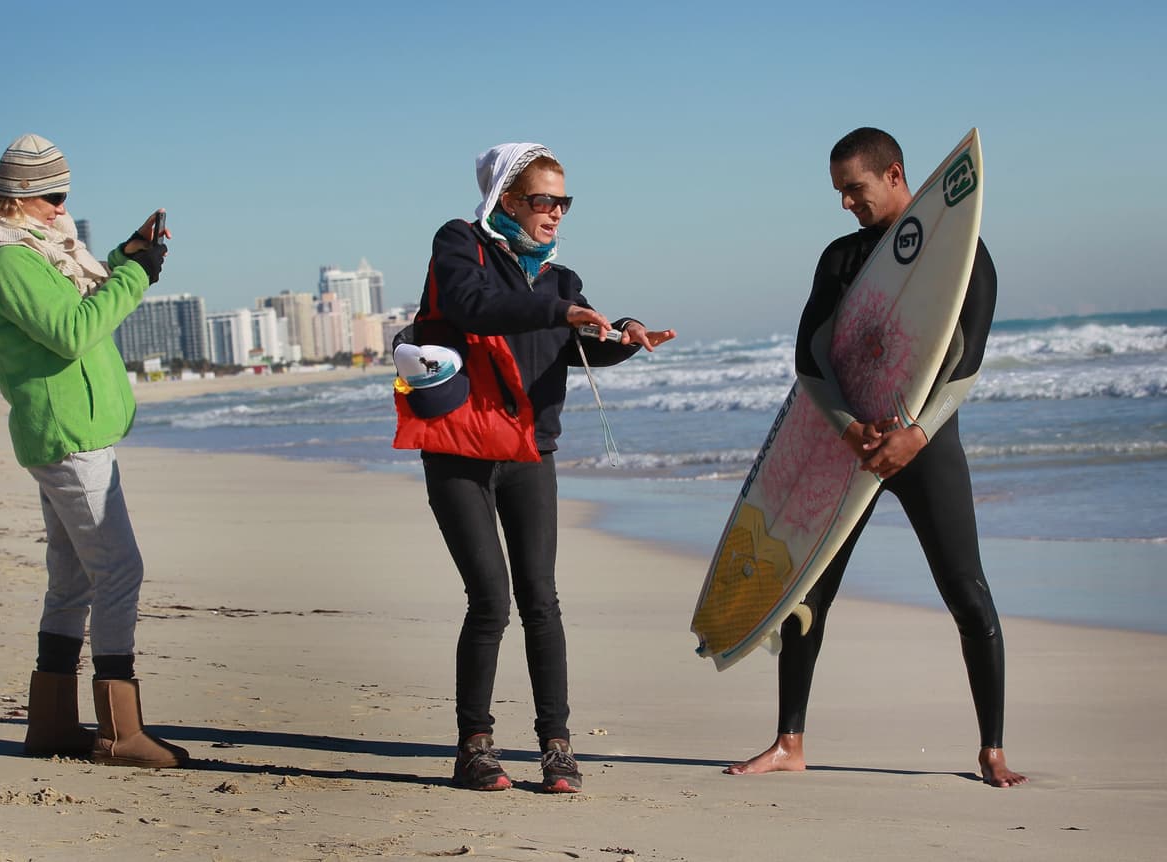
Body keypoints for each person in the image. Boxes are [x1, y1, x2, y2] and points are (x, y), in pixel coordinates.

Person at [724, 128, 1027, 788]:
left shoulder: (959, 251)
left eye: (853, 190)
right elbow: (810, 359)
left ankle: (993, 750)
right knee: (808, 591)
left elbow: (966, 360)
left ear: (894, 174)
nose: (846, 205)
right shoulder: (839, 259)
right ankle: (789, 743)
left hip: (925, 445)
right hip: (849, 449)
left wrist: (915, 432)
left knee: (966, 593)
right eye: (838, 194)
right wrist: (848, 428)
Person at [393, 143, 675, 792]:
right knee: (489, 601)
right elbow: (471, 306)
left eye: (564, 201)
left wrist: (625, 337)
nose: (557, 213)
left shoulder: (559, 279)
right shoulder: (460, 245)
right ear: (508, 201)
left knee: (541, 601)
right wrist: (558, 311)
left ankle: (556, 745)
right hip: (459, 449)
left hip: (530, 452)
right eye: (545, 200)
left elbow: (574, 343)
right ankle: (474, 746)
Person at [0, 134, 187, 768]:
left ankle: (51, 724)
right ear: (21, 198)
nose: (61, 208)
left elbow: (74, 301)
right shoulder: (9, 261)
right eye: (53, 196)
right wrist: (136, 274)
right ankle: (119, 730)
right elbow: (73, 329)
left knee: (75, 577)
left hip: (72, 432)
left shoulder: (34, 252)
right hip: (65, 435)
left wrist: (124, 256)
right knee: (119, 571)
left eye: (64, 196)